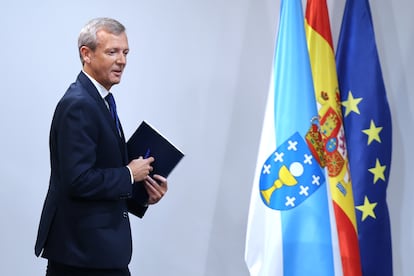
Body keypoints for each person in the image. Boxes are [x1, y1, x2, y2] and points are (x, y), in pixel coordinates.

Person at [34, 17, 168, 276]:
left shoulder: (101, 100)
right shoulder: (79, 104)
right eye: (112, 52)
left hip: (97, 253)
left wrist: (143, 193)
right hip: (81, 256)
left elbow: (102, 171)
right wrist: (129, 174)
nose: (122, 60)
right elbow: (78, 180)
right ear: (86, 54)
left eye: (125, 52)